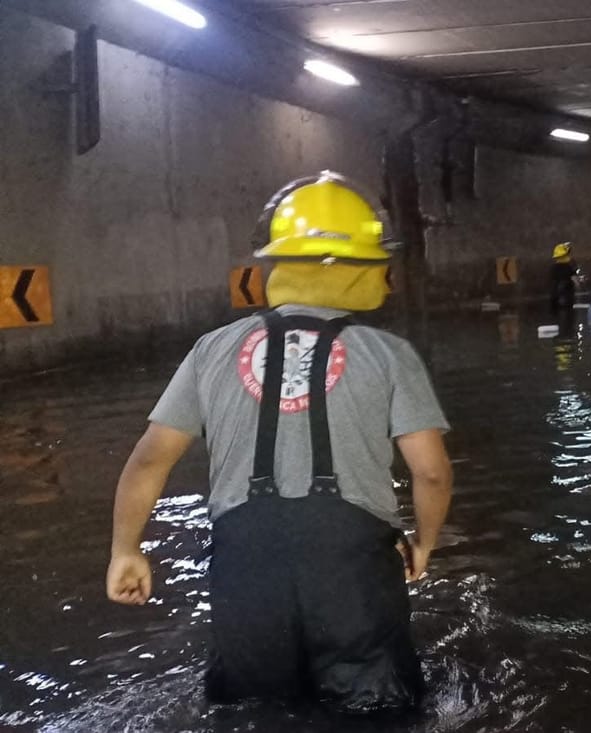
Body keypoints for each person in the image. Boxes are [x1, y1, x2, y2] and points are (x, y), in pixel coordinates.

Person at [105, 171, 454, 713]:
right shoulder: (388, 354)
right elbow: (429, 471)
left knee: (253, 712)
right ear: (355, 267)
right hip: (352, 575)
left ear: (276, 264)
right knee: (378, 713)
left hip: (246, 574)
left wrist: (126, 550)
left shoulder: (211, 349)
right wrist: (425, 543)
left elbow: (150, 458)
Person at [549, 241, 579, 313]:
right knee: (568, 315)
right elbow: (575, 280)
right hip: (567, 295)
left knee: (558, 314)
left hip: (556, 295)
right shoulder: (569, 266)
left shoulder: (554, 268)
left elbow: (552, 281)